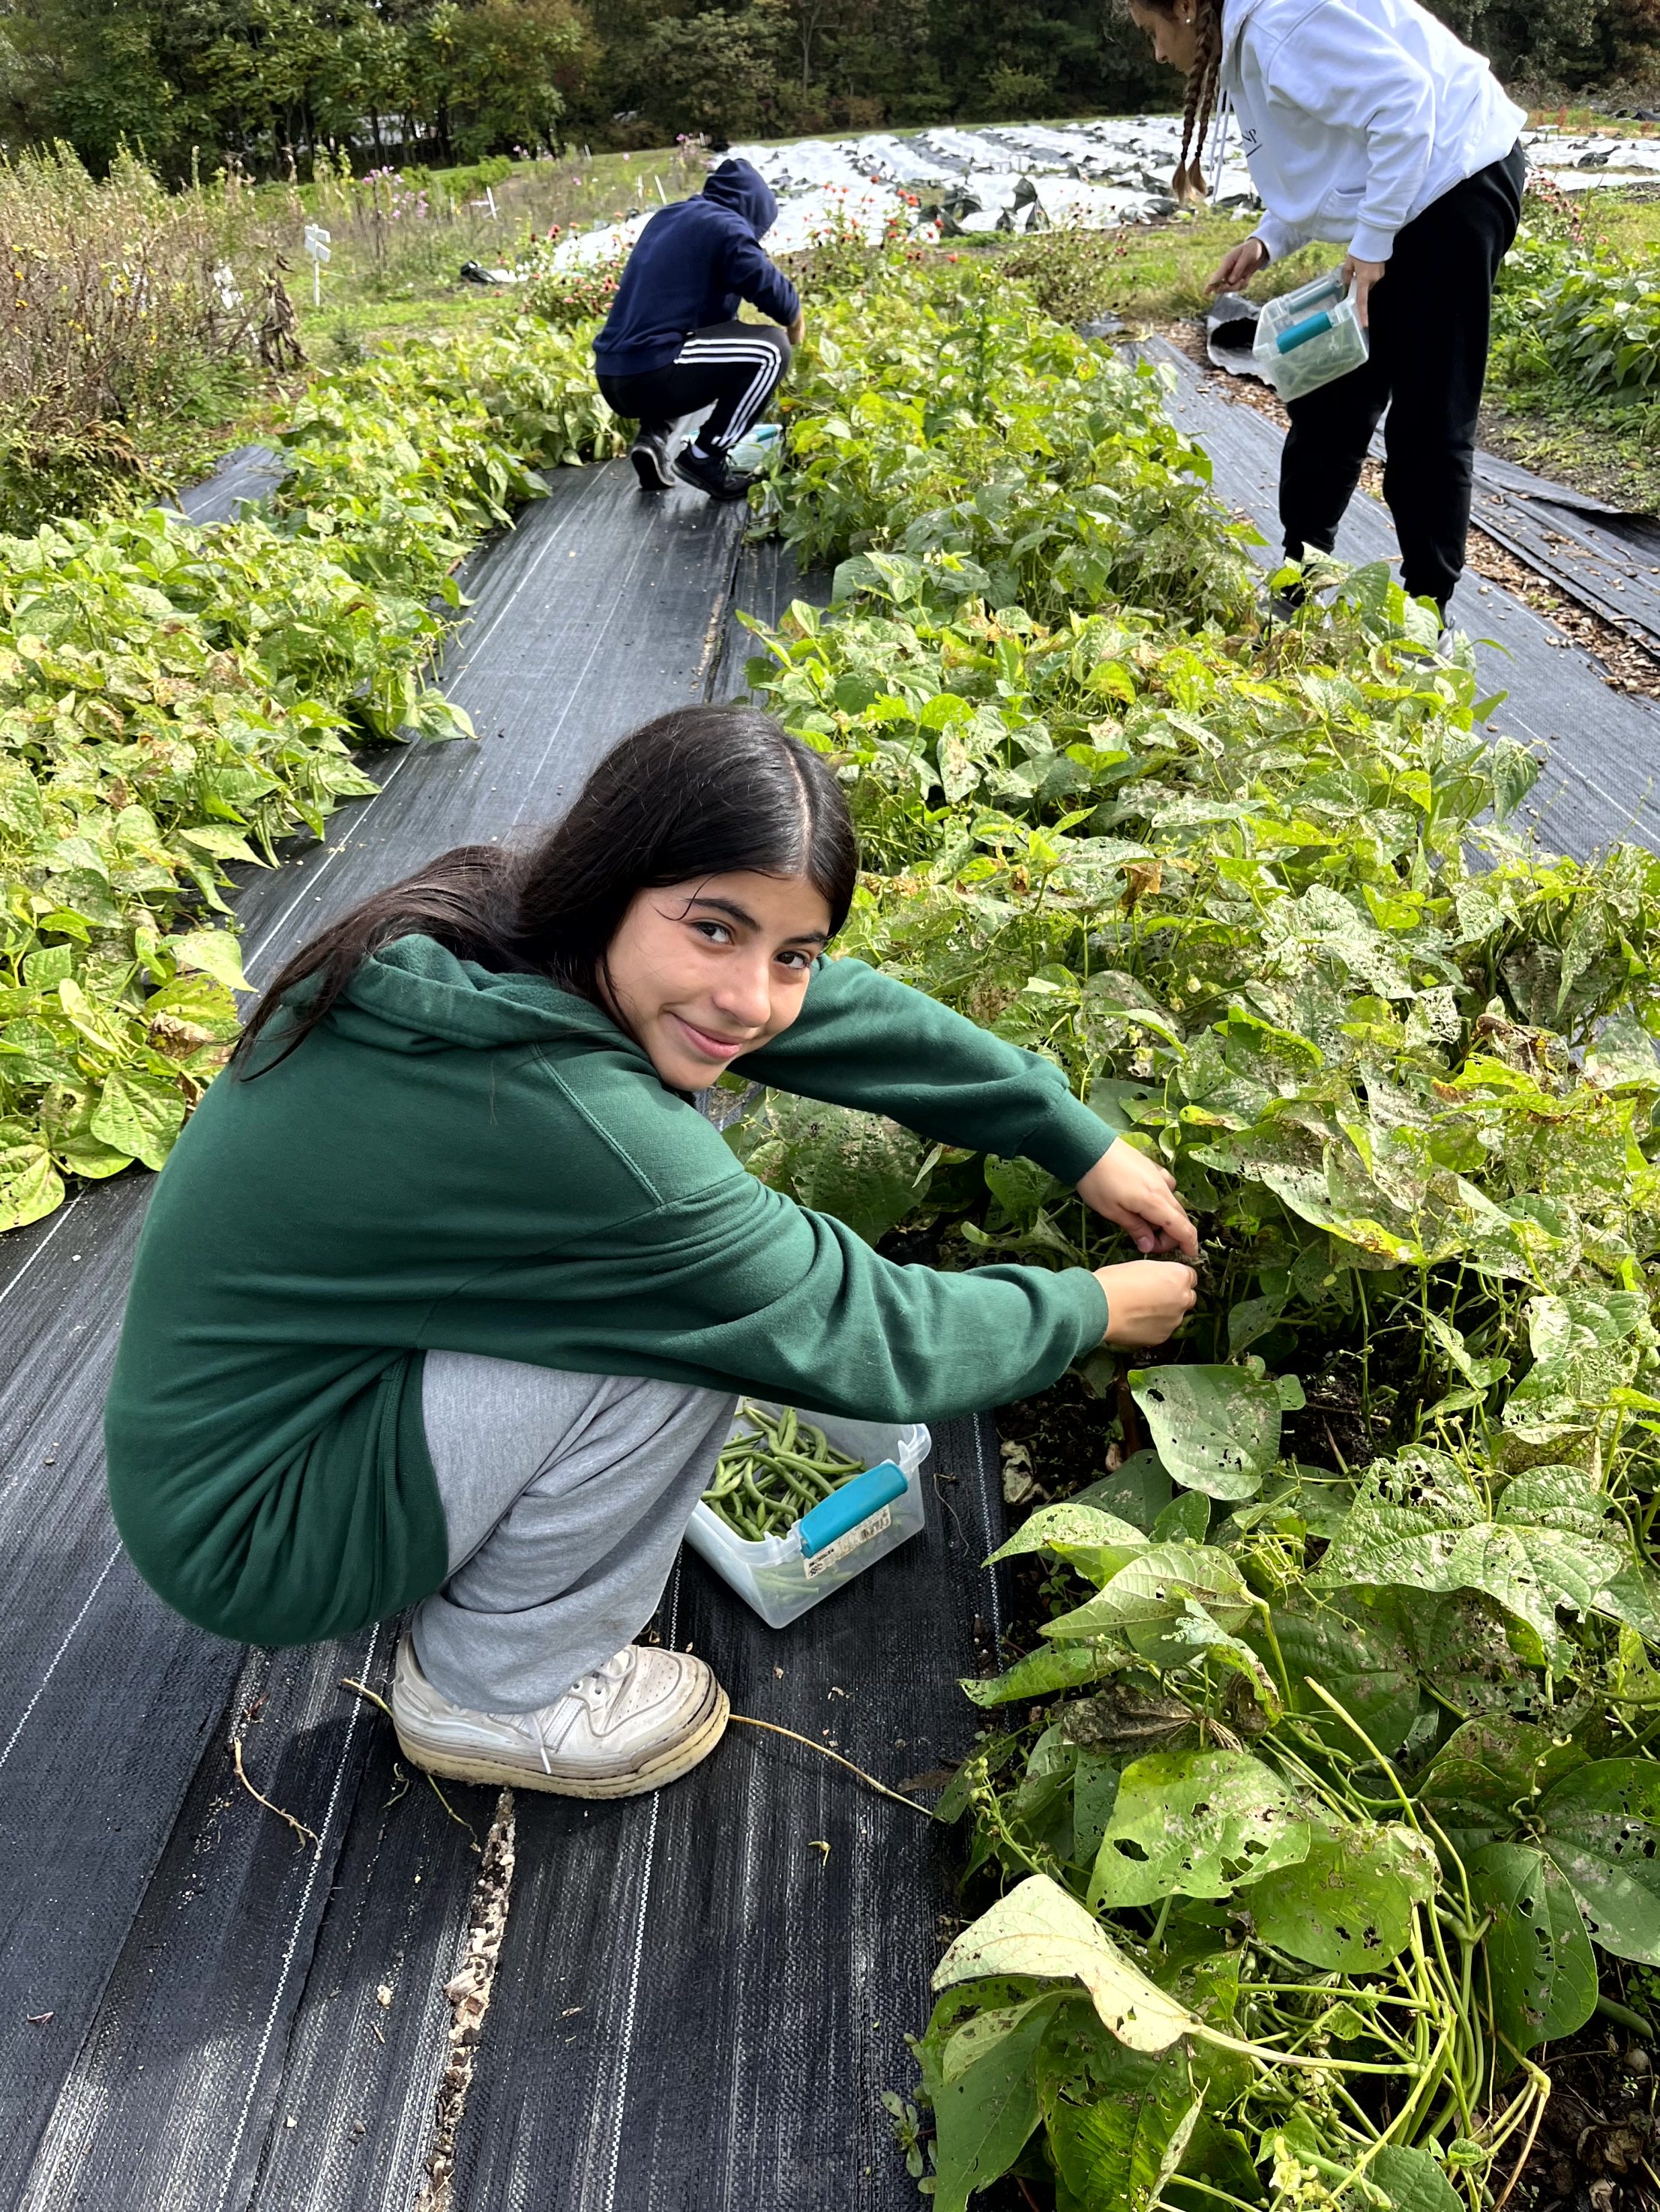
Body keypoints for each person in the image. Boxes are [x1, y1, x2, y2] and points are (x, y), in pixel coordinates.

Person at [104, 706, 1200, 1803]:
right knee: (704, 1341)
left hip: (244, 1425)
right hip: (253, 1529)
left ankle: (474, 1577)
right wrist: (1094, 1306)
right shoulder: (582, 1131)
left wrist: (1069, 1132)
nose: (752, 995)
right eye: (714, 929)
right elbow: (851, 1324)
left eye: (793, 952)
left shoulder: (496, 922)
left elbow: (826, 1009)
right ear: (614, 880)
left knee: (681, 1255)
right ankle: (492, 1693)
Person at [1127, 0, 1527, 623]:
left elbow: (1405, 101)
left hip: (1456, 182)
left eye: (1151, 32)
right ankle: (1300, 582)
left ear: (1182, 8)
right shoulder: (1250, 42)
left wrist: (1371, 245)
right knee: (1330, 396)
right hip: (1406, 194)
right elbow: (1328, 155)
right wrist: (1269, 238)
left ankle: (1426, 620)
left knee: (1427, 417)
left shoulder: (1281, 26)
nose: (1155, 52)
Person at [593, 157, 806, 503]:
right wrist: (795, 319)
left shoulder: (669, 218)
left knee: (700, 347)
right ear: (755, 211)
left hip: (615, 374)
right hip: (655, 368)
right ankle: (706, 457)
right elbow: (770, 289)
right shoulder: (727, 226)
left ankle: (655, 439)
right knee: (770, 348)